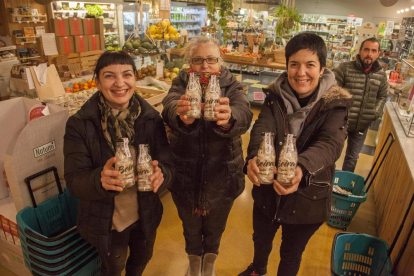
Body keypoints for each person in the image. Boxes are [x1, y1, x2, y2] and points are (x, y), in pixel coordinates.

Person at [238, 33, 353, 276]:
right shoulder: (274, 96)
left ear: (322, 68)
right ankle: (258, 269)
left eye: (310, 64)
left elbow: (330, 143)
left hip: (309, 196)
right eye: (294, 64)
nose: (301, 73)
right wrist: (253, 158)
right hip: (268, 189)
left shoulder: (336, 104)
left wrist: (300, 168)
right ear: (287, 65)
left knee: (291, 253)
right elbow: (262, 129)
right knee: (261, 239)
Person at [64, 50, 174, 276]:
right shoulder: (80, 124)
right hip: (107, 221)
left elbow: (167, 160)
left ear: (135, 78)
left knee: (141, 260)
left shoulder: (150, 118)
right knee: (113, 266)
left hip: (145, 214)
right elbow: (74, 181)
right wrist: (99, 179)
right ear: (97, 82)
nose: (120, 83)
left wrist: (162, 173)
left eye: (126, 74)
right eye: (109, 76)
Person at [162, 36, 253, 276]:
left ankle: (209, 262)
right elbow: (169, 103)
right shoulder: (181, 83)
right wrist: (179, 113)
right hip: (185, 175)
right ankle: (194, 262)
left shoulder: (231, 85)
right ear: (189, 63)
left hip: (222, 175)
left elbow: (244, 111)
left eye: (211, 59)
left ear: (220, 62)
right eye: (198, 60)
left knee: (216, 227)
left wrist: (229, 117)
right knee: (190, 228)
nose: (205, 66)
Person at [334, 37, 389, 172]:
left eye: (373, 50)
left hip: (362, 125)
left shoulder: (381, 75)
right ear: (360, 51)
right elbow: (333, 91)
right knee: (332, 153)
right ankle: (325, 183)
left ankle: (343, 188)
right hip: (341, 123)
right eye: (366, 49)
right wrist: (339, 113)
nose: (369, 54)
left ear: (378, 53)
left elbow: (382, 96)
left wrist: (375, 113)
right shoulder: (345, 68)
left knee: (352, 158)